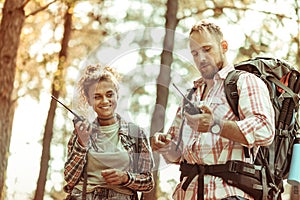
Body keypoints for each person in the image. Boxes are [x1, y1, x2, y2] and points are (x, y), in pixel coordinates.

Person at [152, 20, 275, 200]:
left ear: (223, 46)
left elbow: (265, 130)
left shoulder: (244, 82)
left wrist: (215, 125)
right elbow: (175, 155)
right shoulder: (191, 96)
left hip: (228, 194)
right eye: (195, 53)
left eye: (207, 49)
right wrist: (163, 146)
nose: (201, 58)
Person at [63, 64, 154, 200]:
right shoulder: (81, 132)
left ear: (117, 95)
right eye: (97, 96)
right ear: (89, 101)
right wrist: (82, 144)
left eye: (109, 94)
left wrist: (125, 178)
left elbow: (148, 182)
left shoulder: (135, 133)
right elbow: (70, 179)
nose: (105, 101)